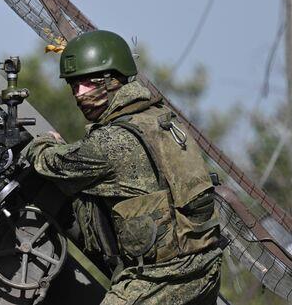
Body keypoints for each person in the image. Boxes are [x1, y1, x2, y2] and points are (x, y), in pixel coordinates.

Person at [25, 30, 222, 304]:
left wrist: (41, 144)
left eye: (89, 83)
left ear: (114, 79)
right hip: (205, 267)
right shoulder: (157, 119)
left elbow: (52, 164)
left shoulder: (114, 141)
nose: (79, 95)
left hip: (163, 278)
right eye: (73, 85)